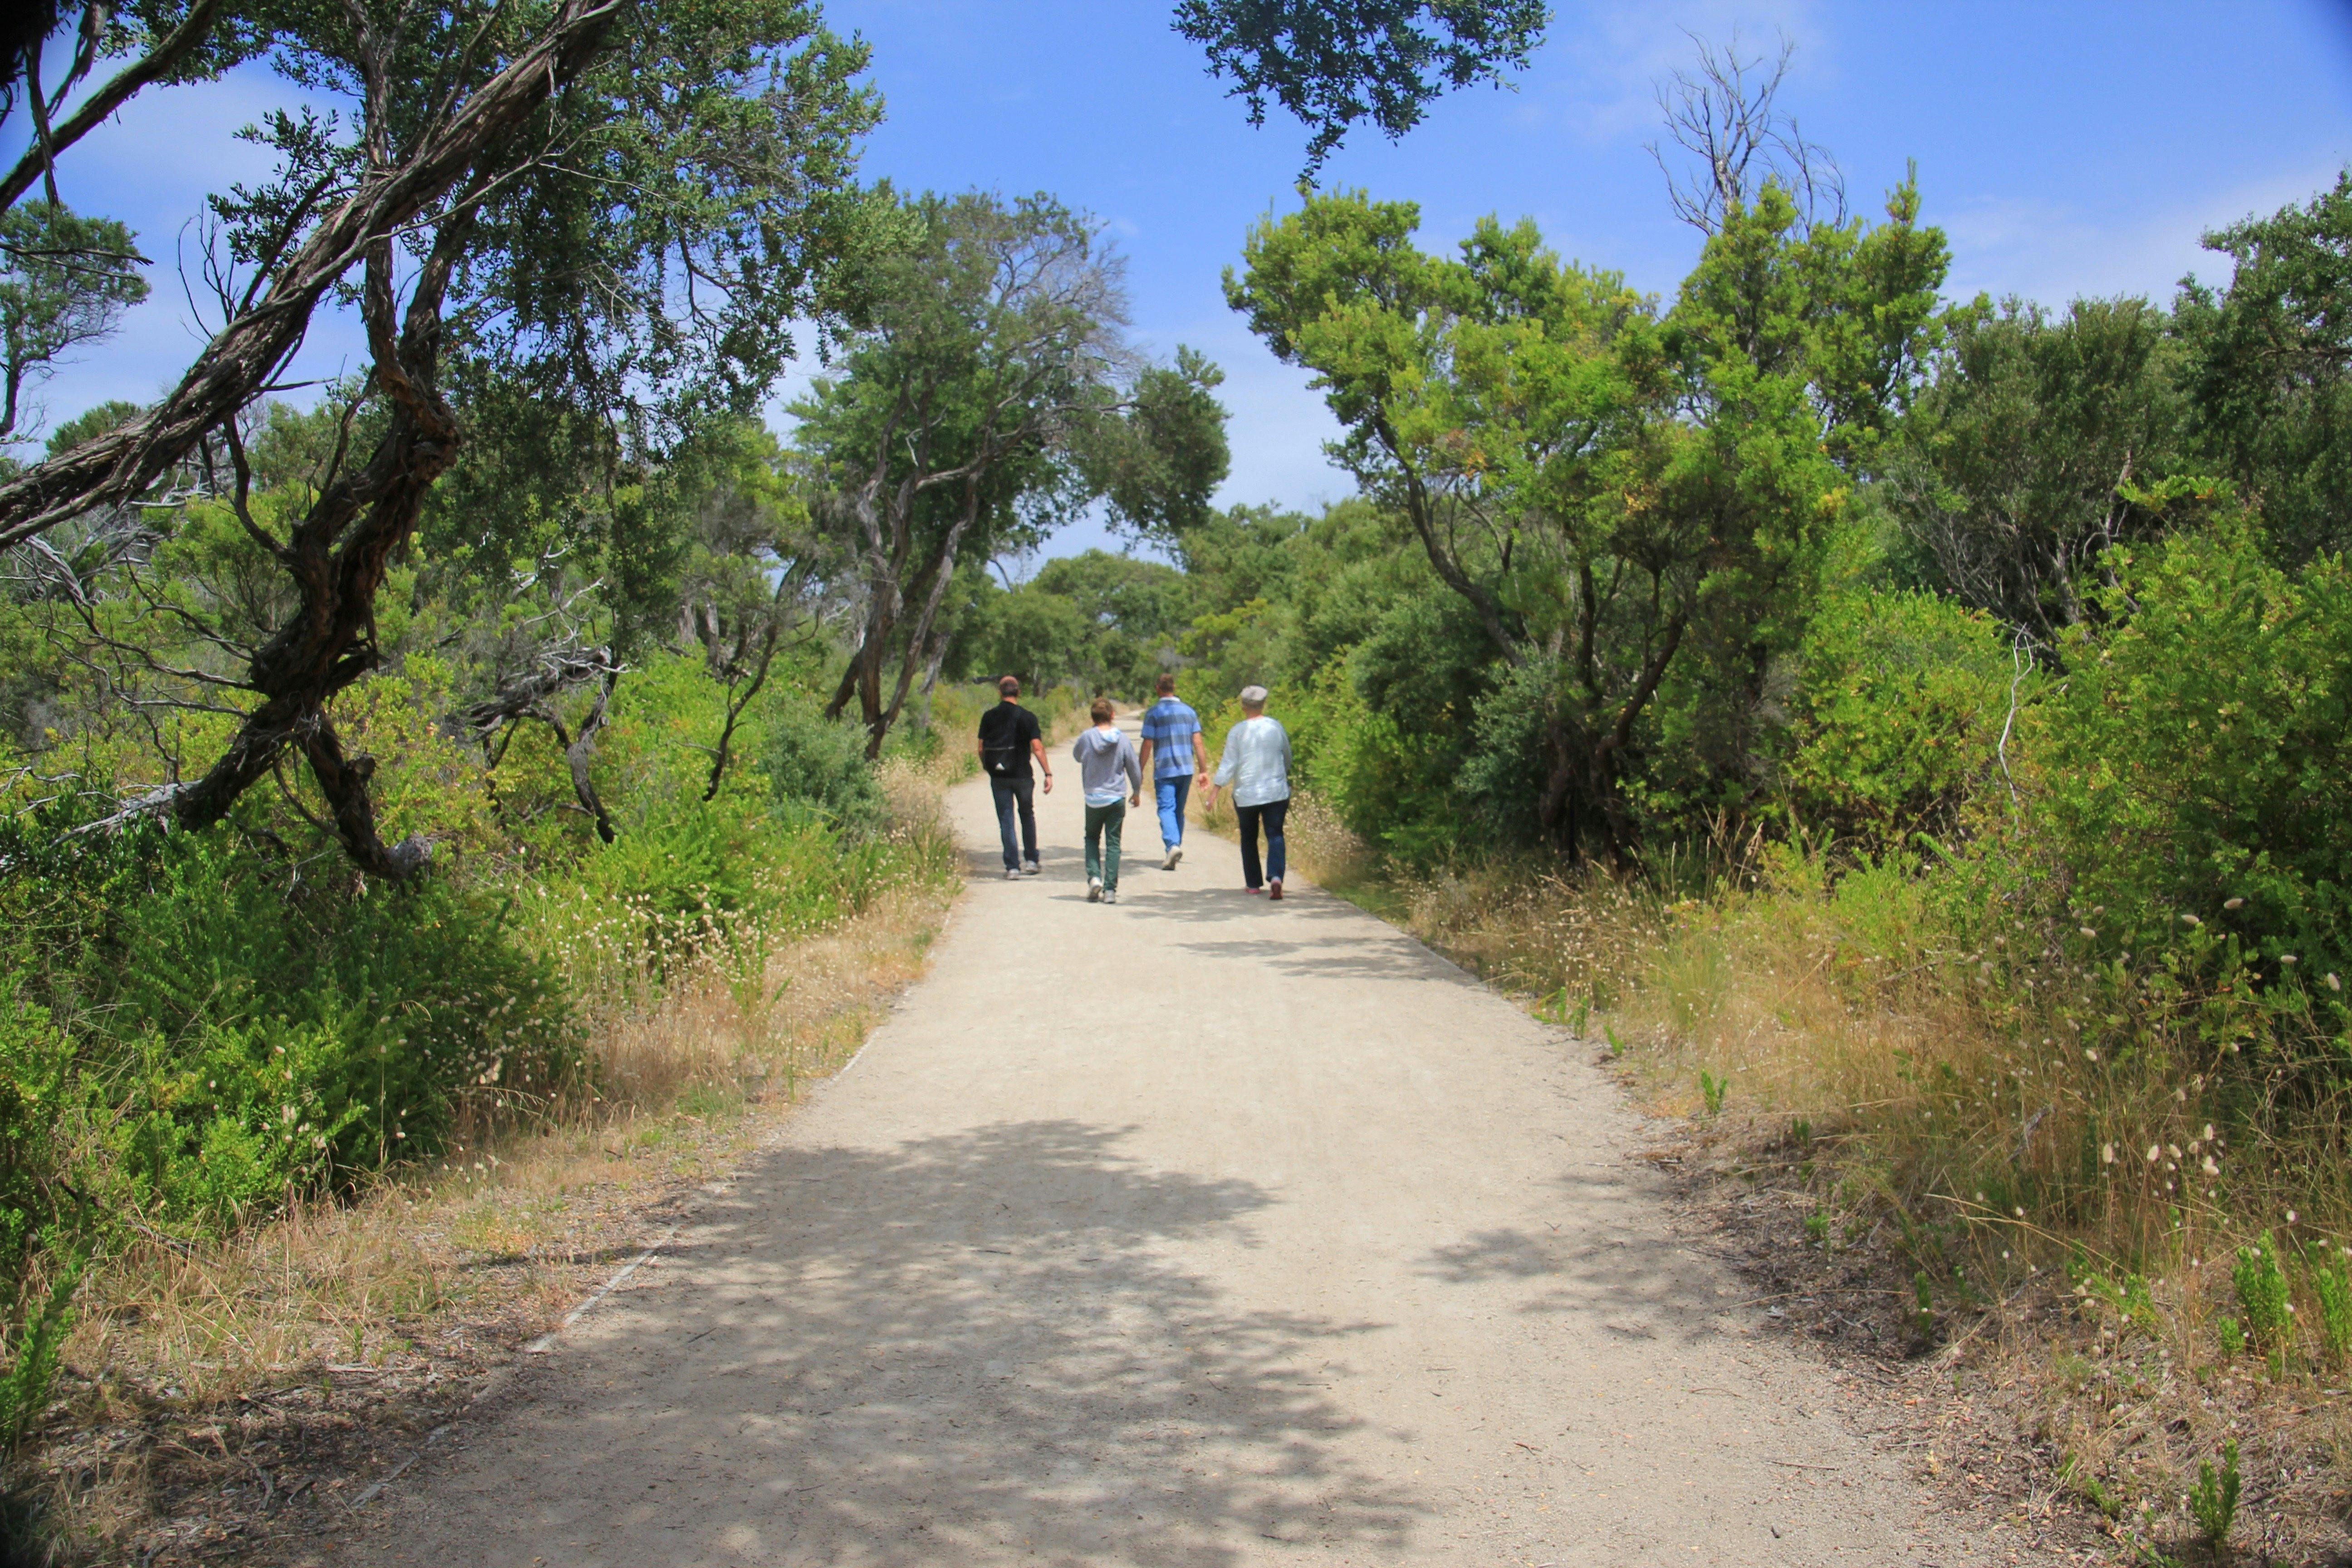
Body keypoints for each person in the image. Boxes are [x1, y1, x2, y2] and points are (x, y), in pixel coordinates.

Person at [1208, 684, 1293, 900]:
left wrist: (1215, 791)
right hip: (1275, 791)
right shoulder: (1276, 727)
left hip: (1247, 794)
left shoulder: (1237, 732)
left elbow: (1229, 764)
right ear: (1264, 704)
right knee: (1275, 834)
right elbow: (1287, 754)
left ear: (1243, 706)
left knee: (1249, 837)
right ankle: (1276, 877)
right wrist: (1284, 773)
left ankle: (1253, 884)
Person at [976, 675, 1051, 879]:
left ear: (1000, 693)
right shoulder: (1028, 717)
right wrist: (1048, 773)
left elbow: (981, 748)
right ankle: (1032, 861)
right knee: (1027, 815)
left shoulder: (989, 717)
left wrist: (989, 767)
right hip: (1023, 775)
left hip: (1000, 777)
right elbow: (1037, 748)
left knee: (1006, 819)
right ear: (1018, 693)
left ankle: (1012, 867)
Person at [1071, 696, 1142, 904]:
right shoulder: (1122, 739)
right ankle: (1110, 890)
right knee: (1113, 843)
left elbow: (1077, 756)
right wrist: (1136, 791)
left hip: (1094, 797)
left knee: (1092, 838)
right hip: (1116, 797)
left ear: (1093, 717)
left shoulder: (1086, 737)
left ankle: (1094, 878)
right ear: (1112, 716)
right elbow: (1133, 767)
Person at [1136, 672, 1210, 871]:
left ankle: (1172, 845)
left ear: (1158, 689)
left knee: (1166, 809)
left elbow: (1148, 744)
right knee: (1178, 809)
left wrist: (1139, 770)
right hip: (1186, 769)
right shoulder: (1189, 712)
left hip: (1165, 770)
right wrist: (1203, 770)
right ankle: (1175, 845)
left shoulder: (1153, 713)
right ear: (1174, 688)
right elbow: (1198, 741)